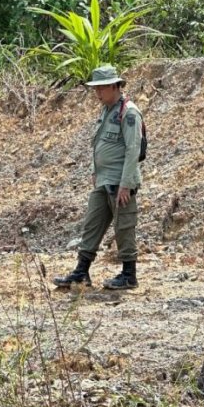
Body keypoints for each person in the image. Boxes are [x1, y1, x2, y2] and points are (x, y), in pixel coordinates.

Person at [54, 64, 144, 290]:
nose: (98, 93)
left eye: (102, 88)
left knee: (124, 227)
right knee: (92, 224)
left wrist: (126, 184)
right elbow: (100, 144)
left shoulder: (129, 112)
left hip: (119, 181)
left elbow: (133, 150)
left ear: (115, 86)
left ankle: (128, 274)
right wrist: (95, 171)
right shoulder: (107, 111)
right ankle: (81, 271)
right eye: (96, 88)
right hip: (104, 180)